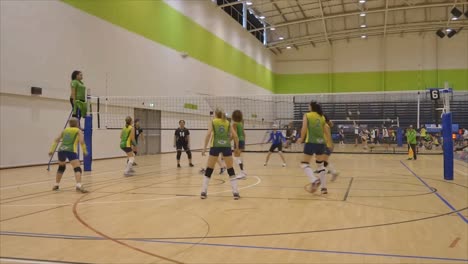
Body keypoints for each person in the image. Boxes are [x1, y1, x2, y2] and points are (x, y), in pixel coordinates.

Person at [200, 108, 240, 200]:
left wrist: (204, 148)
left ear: (215, 114)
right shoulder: (227, 122)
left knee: (209, 169)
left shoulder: (213, 121)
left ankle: (203, 192)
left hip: (215, 146)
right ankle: (235, 192)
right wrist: (237, 147)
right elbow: (235, 136)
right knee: (230, 169)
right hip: (226, 146)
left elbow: (208, 134)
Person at [297, 101, 332, 194]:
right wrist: (329, 143)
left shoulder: (307, 115)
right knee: (320, 165)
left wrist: (301, 138)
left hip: (311, 142)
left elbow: (304, 128)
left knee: (304, 163)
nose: (308, 107)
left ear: (312, 107)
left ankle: (314, 180)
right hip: (321, 143)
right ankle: (324, 188)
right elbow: (327, 128)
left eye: (309, 105)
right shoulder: (322, 117)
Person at [49, 118, 88, 193]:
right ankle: (79, 185)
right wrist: (84, 151)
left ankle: (56, 185)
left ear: (69, 124)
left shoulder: (65, 130)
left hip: (61, 150)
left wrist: (51, 150)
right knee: (77, 168)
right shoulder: (78, 130)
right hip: (71, 150)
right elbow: (82, 141)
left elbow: (56, 139)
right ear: (77, 124)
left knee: (61, 167)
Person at [319, 116, 339, 194]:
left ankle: (323, 186)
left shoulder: (325, 125)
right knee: (324, 162)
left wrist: (330, 145)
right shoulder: (323, 125)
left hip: (326, 146)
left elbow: (328, 137)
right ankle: (334, 172)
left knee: (322, 164)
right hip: (324, 145)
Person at [231, 110, 247, 179]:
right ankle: (243, 171)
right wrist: (243, 142)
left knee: (236, 157)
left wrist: (228, 141)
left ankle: (242, 172)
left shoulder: (234, 124)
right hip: (242, 140)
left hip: (237, 141)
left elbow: (234, 135)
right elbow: (244, 134)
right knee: (239, 157)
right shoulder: (240, 123)